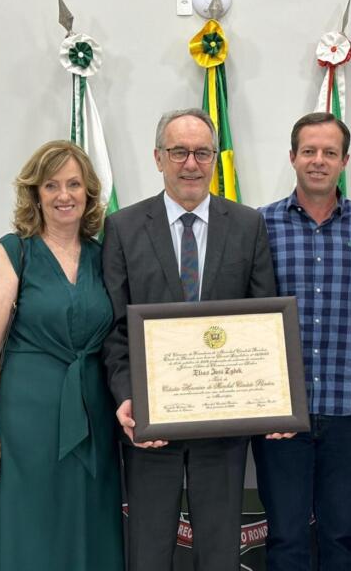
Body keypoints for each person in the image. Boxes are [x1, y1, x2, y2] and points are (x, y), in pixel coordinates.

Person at [101, 108, 277, 571]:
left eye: (202, 152)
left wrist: (267, 395)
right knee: (149, 551)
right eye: (179, 152)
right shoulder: (121, 228)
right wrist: (127, 397)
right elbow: (115, 330)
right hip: (149, 425)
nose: (191, 163)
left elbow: (262, 325)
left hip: (222, 425)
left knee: (220, 554)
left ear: (215, 159)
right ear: (158, 157)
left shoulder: (247, 225)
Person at [0, 140, 123, 570]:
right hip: (26, 421)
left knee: (87, 524)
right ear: (36, 193)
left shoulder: (104, 255)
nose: (64, 195)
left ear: (89, 192)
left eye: (74, 184)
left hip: (94, 417)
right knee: (28, 528)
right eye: (51, 185)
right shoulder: (14, 251)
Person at [252, 112, 351, 571]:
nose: (318, 161)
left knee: (342, 537)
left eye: (330, 152)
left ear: (344, 161)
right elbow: (244, 317)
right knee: (286, 538)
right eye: (308, 151)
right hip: (281, 414)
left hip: (350, 410)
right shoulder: (260, 225)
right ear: (292, 157)